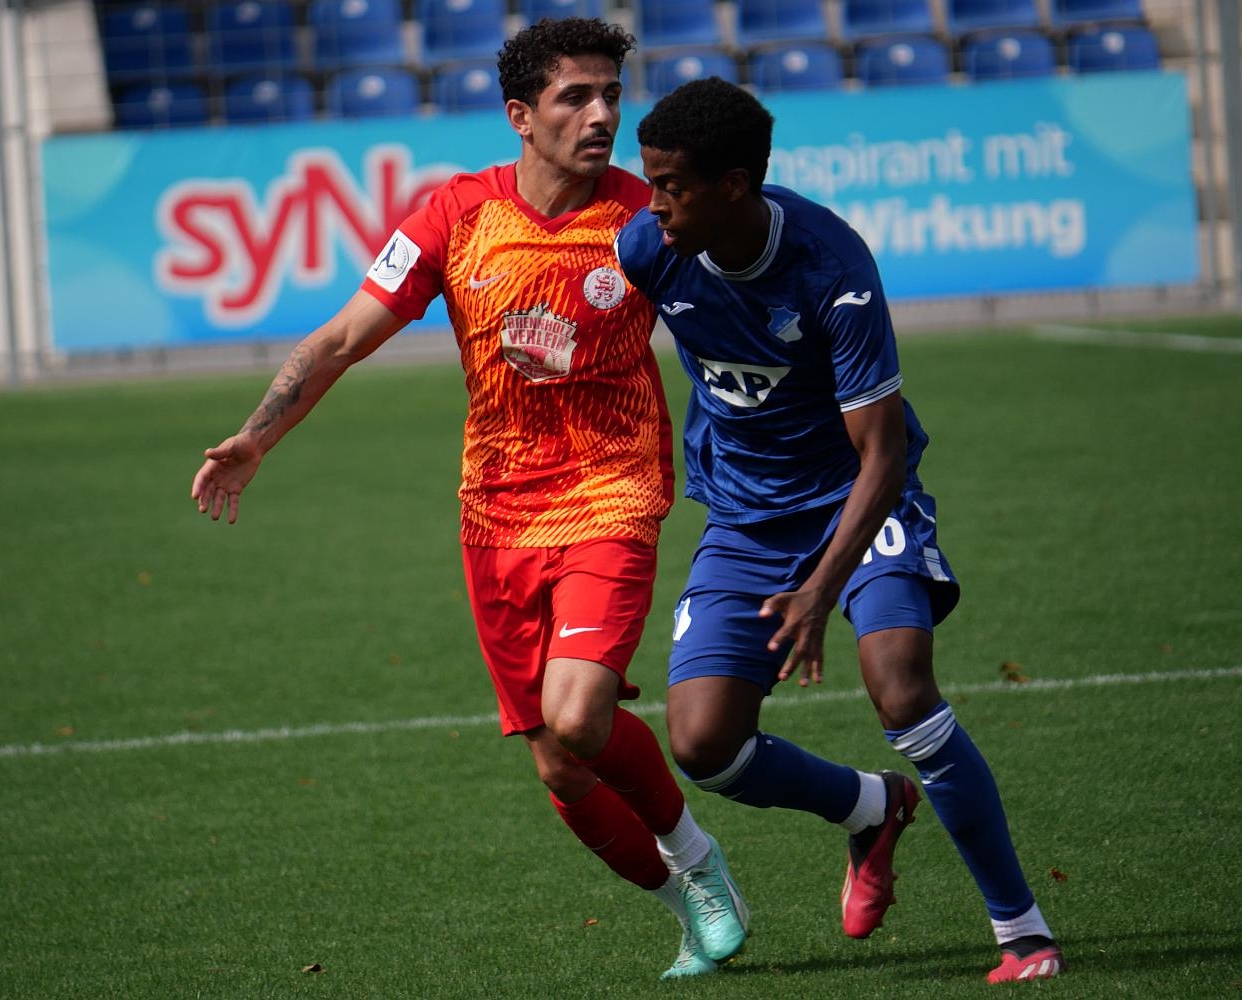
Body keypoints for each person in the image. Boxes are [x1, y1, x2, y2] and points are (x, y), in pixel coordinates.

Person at [190, 19, 746, 980]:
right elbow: (343, 337)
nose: (602, 115)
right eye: (576, 97)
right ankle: (686, 908)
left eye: (611, 94)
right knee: (558, 762)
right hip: (496, 512)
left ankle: (698, 860)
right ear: (521, 116)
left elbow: (747, 310)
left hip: (613, 492)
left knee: (578, 716)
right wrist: (256, 435)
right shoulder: (454, 216)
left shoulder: (645, 217)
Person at [613, 77, 1065, 985]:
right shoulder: (650, 249)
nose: (653, 203)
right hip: (746, 518)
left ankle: (1022, 931)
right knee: (702, 745)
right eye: (650, 181)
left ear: (733, 186)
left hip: (857, 498)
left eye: (671, 185)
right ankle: (870, 809)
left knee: (900, 686)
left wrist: (820, 590)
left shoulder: (831, 267)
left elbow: (882, 455)